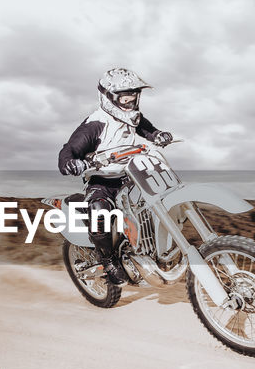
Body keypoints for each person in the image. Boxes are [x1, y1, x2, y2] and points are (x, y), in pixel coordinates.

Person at [58, 68, 173, 284]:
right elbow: (67, 152)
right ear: (109, 97)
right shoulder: (95, 124)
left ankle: (155, 249)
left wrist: (157, 135)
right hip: (102, 182)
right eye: (125, 97)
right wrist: (73, 163)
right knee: (99, 210)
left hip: (131, 176)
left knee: (156, 201)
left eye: (134, 96)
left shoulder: (134, 117)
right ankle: (108, 259)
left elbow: (145, 128)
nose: (131, 101)